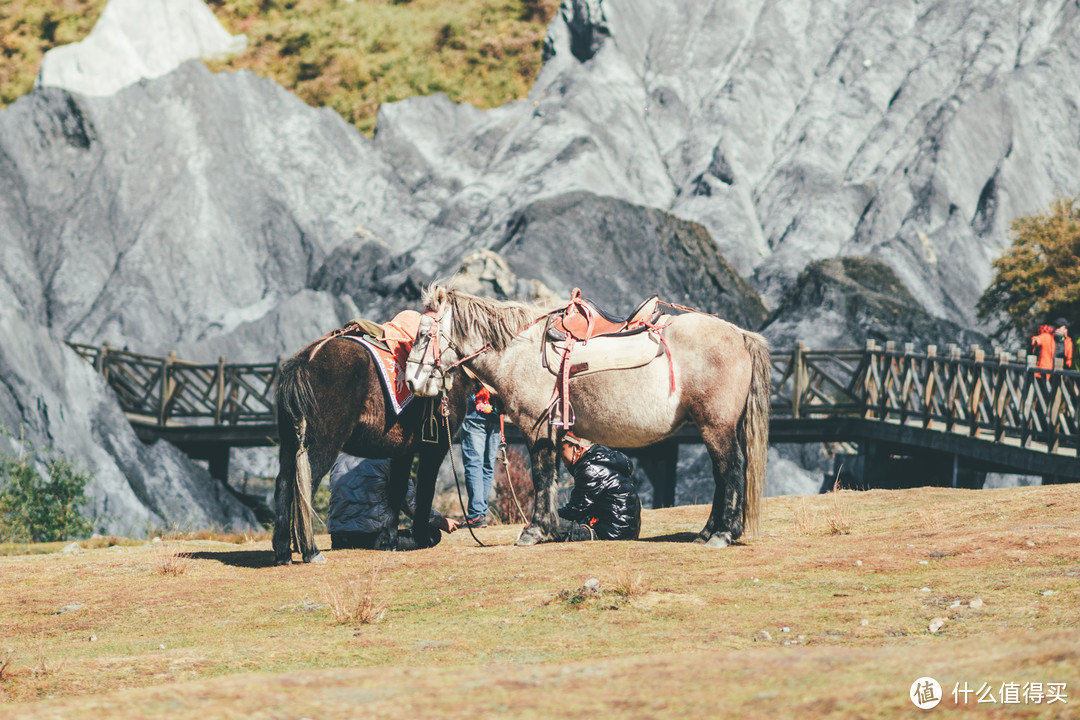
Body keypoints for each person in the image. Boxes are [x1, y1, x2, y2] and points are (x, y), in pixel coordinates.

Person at [327, 454, 458, 550]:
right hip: (372, 540)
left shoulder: (339, 459)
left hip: (339, 539)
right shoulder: (390, 460)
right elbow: (412, 506)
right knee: (433, 534)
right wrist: (441, 522)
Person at [557, 434, 642, 542]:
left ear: (578, 448)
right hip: (625, 533)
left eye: (562, 448)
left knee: (550, 526)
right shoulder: (602, 461)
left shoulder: (590, 469)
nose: (559, 454)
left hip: (608, 535)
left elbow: (576, 510)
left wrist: (550, 516)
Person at [461, 386, 501, 528]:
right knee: (487, 466)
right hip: (496, 416)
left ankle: (476, 514)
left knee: (474, 464)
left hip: (474, 416)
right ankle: (479, 514)